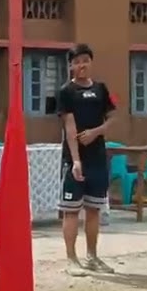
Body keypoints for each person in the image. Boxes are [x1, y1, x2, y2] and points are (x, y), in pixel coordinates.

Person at [56, 44, 117, 276]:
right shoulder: (66, 92)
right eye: (77, 62)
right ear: (71, 66)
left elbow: (112, 118)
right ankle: (72, 259)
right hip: (75, 159)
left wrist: (97, 131)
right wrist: (76, 160)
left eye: (85, 60)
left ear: (91, 62)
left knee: (94, 209)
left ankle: (92, 256)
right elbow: (70, 127)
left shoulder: (101, 89)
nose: (81, 65)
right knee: (71, 211)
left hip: (98, 158)